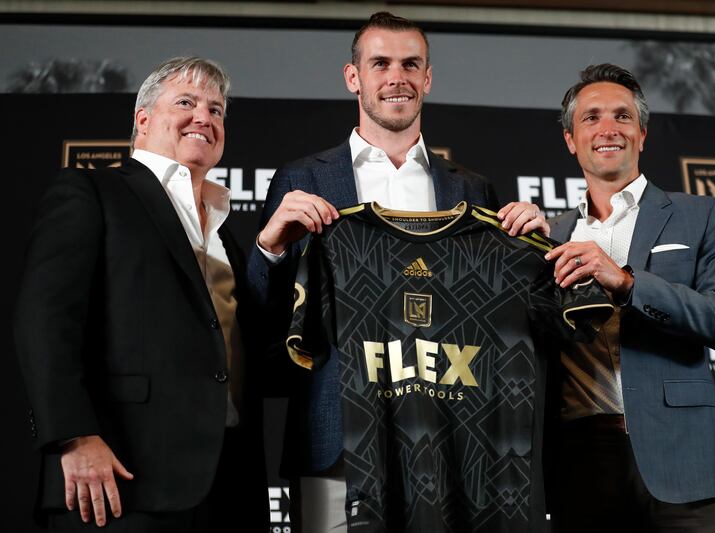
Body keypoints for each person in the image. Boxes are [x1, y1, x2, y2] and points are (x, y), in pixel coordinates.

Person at [248, 12, 547, 532]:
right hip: (335, 439)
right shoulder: (302, 178)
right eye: (380, 63)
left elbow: (499, 319)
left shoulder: (471, 190)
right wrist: (269, 248)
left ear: (427, 78)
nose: (396, 77)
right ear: (353, 77)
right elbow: (267, 318)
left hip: (449, 442)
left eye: (411, 64)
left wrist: (536, 245)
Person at [14, 57, 266, 532]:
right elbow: (45, 319)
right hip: (119, 479)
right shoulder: (92, 191)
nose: (204, 118)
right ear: (143, 119)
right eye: (186, 103)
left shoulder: (229, 233)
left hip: (225, 484)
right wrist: (73, 436)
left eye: (216, 110)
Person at [544, 63, 715, 532]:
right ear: (571, 140)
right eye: (591, 118)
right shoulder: (549, 236)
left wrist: (628, 283)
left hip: (686, 460)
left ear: (642, 134)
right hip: (580, 461)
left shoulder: (703, 215)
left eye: (622, 116)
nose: (608, 129)